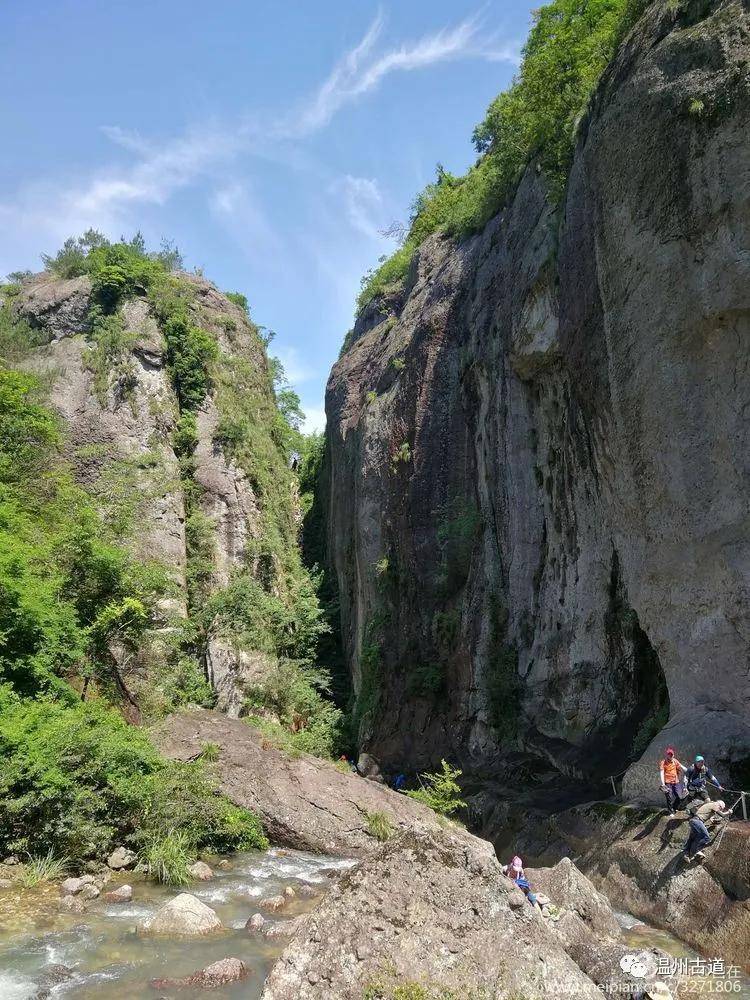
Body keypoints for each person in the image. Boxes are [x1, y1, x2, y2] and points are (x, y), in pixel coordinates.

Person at [659, 747, 686, 814]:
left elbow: (682, 767)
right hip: (667, 782)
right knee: (669, 797)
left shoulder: (675, 761)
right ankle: (670, 812)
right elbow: (662, 772)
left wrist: (689, 771)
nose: (670, 756)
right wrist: (663, 784)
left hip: (676, 781)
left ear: (673, 755)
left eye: (672, 754)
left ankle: (674, 807)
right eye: (669, 754)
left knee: (680, 796)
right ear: (667, 755)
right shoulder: (663, 762)